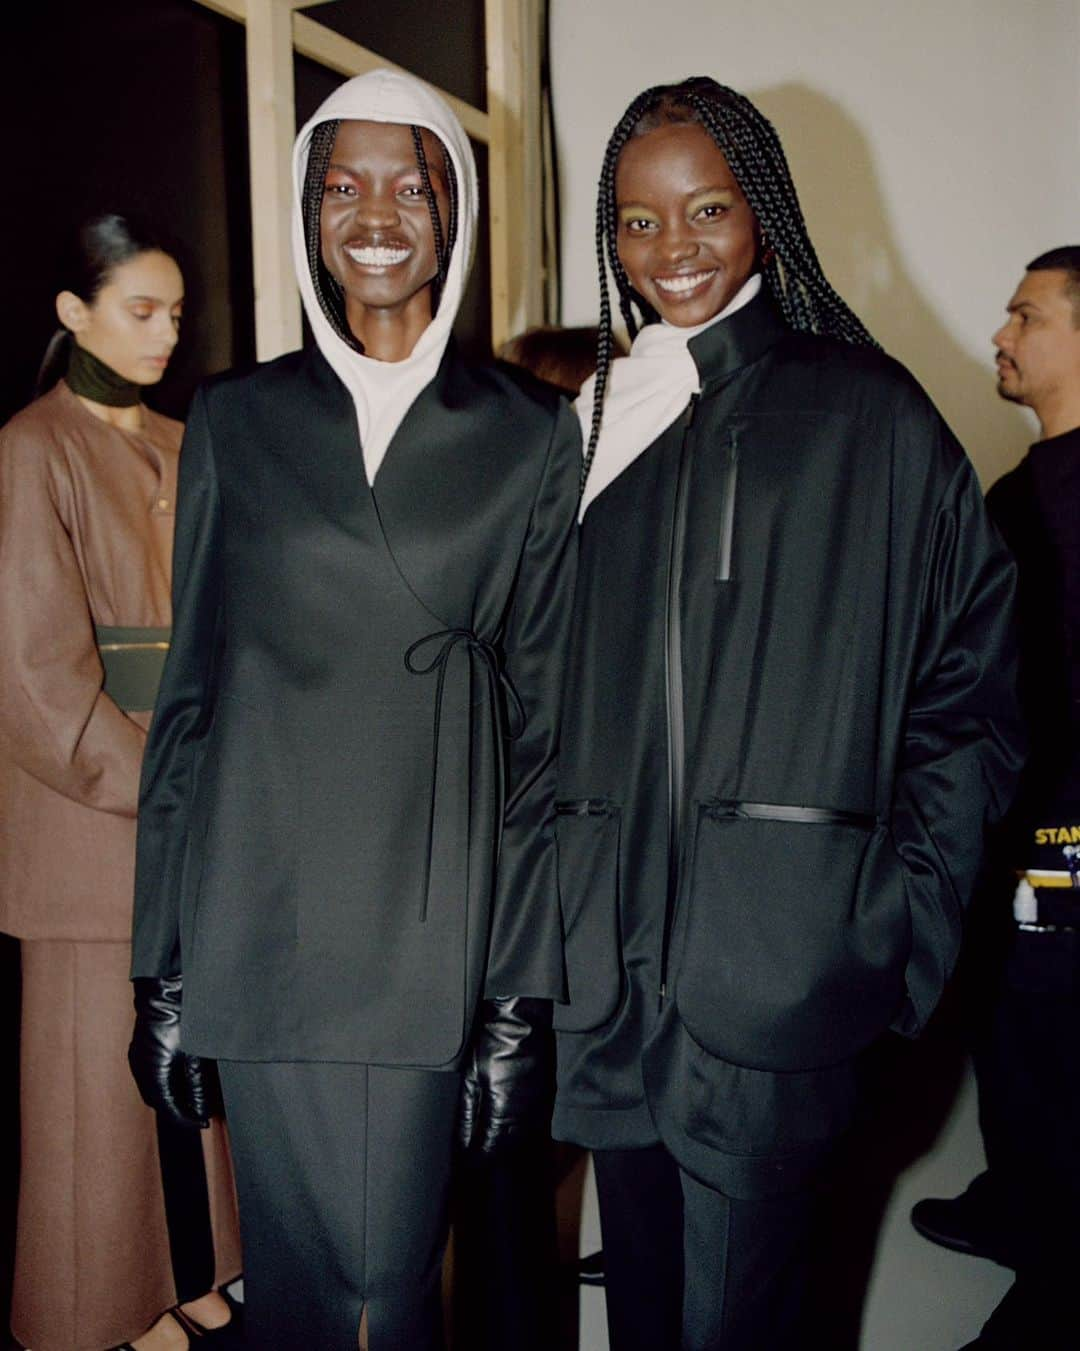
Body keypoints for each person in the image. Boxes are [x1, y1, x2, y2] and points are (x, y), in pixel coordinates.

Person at [550, 76, 1024, 1350]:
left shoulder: (871, 417)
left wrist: (902, 935)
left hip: (783, 975)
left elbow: (968, 703)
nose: (673, 251)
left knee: (750, 1323)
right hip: (610, 977)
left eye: (707, 208)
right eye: (638, 224)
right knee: (645, 1311)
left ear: (763, 209)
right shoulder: (595, 426)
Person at [128, 70, 579, 1351]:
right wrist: (160, 963)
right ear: (306, 211)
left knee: (384, 1290)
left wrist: (513, 998)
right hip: (260, 926)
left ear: (456, 204)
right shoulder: (236, 418)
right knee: (303, 1290)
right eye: (342, 184)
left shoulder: (530, 434)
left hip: (423, 936)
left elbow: (539, 738)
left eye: (409, 180)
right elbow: (195, 708)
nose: (375, 212)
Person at [0, 214, 241, 1351]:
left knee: (191, 1065)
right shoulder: (30, 448)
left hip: (191, 800)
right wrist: (168, 786)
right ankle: (96, 1311)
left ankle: (191, 1272)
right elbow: (37, 678)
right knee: (94, 1093)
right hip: (95, 820)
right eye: (140, 310)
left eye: (175, 313)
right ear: (72, 312)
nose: (164, 334)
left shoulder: (191, 441)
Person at [911, 246, 1080, 1350]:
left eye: (1027, 314)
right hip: (1019, 819)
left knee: (1051, 1036)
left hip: (1068, 834)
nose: (1001, 335)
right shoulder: (1023, 489)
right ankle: (1022, 1207)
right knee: (1009, 1025)